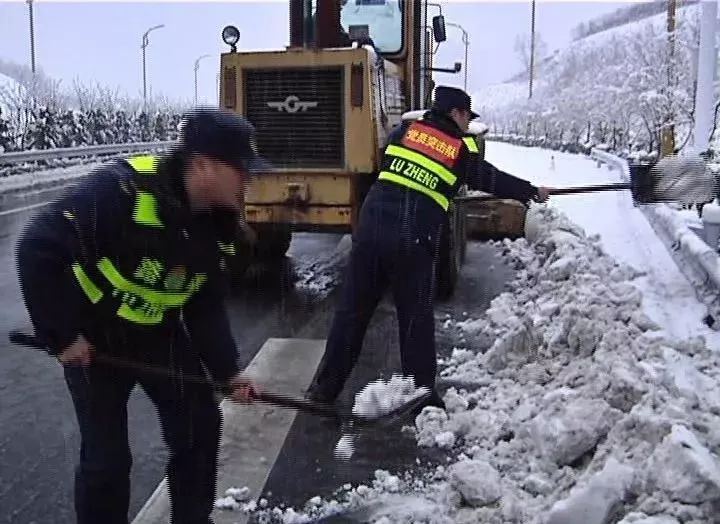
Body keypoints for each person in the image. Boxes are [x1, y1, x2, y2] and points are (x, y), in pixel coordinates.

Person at [15, 107, 268, 524]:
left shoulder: (221, 224)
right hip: (94, 338)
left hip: (156, 335)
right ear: (203, 165)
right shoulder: (121, 191)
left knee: (200, 427)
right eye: (241, 169)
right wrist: (61, 337)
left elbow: (203, 305)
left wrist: (227, 373)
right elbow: (36, 246)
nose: (249, 179)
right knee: (107, 459)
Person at [306, 85, 552, 412]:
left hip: (371, 229)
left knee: (352, 314)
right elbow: (488, 178)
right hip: (412, 237)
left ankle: (323, 389)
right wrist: (530, 191)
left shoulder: (402, 132)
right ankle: (422, 399)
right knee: (415, 321)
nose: (468, 124)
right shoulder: (458, 147)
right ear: (456, 113)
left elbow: (409, 171)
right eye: (467, 117)